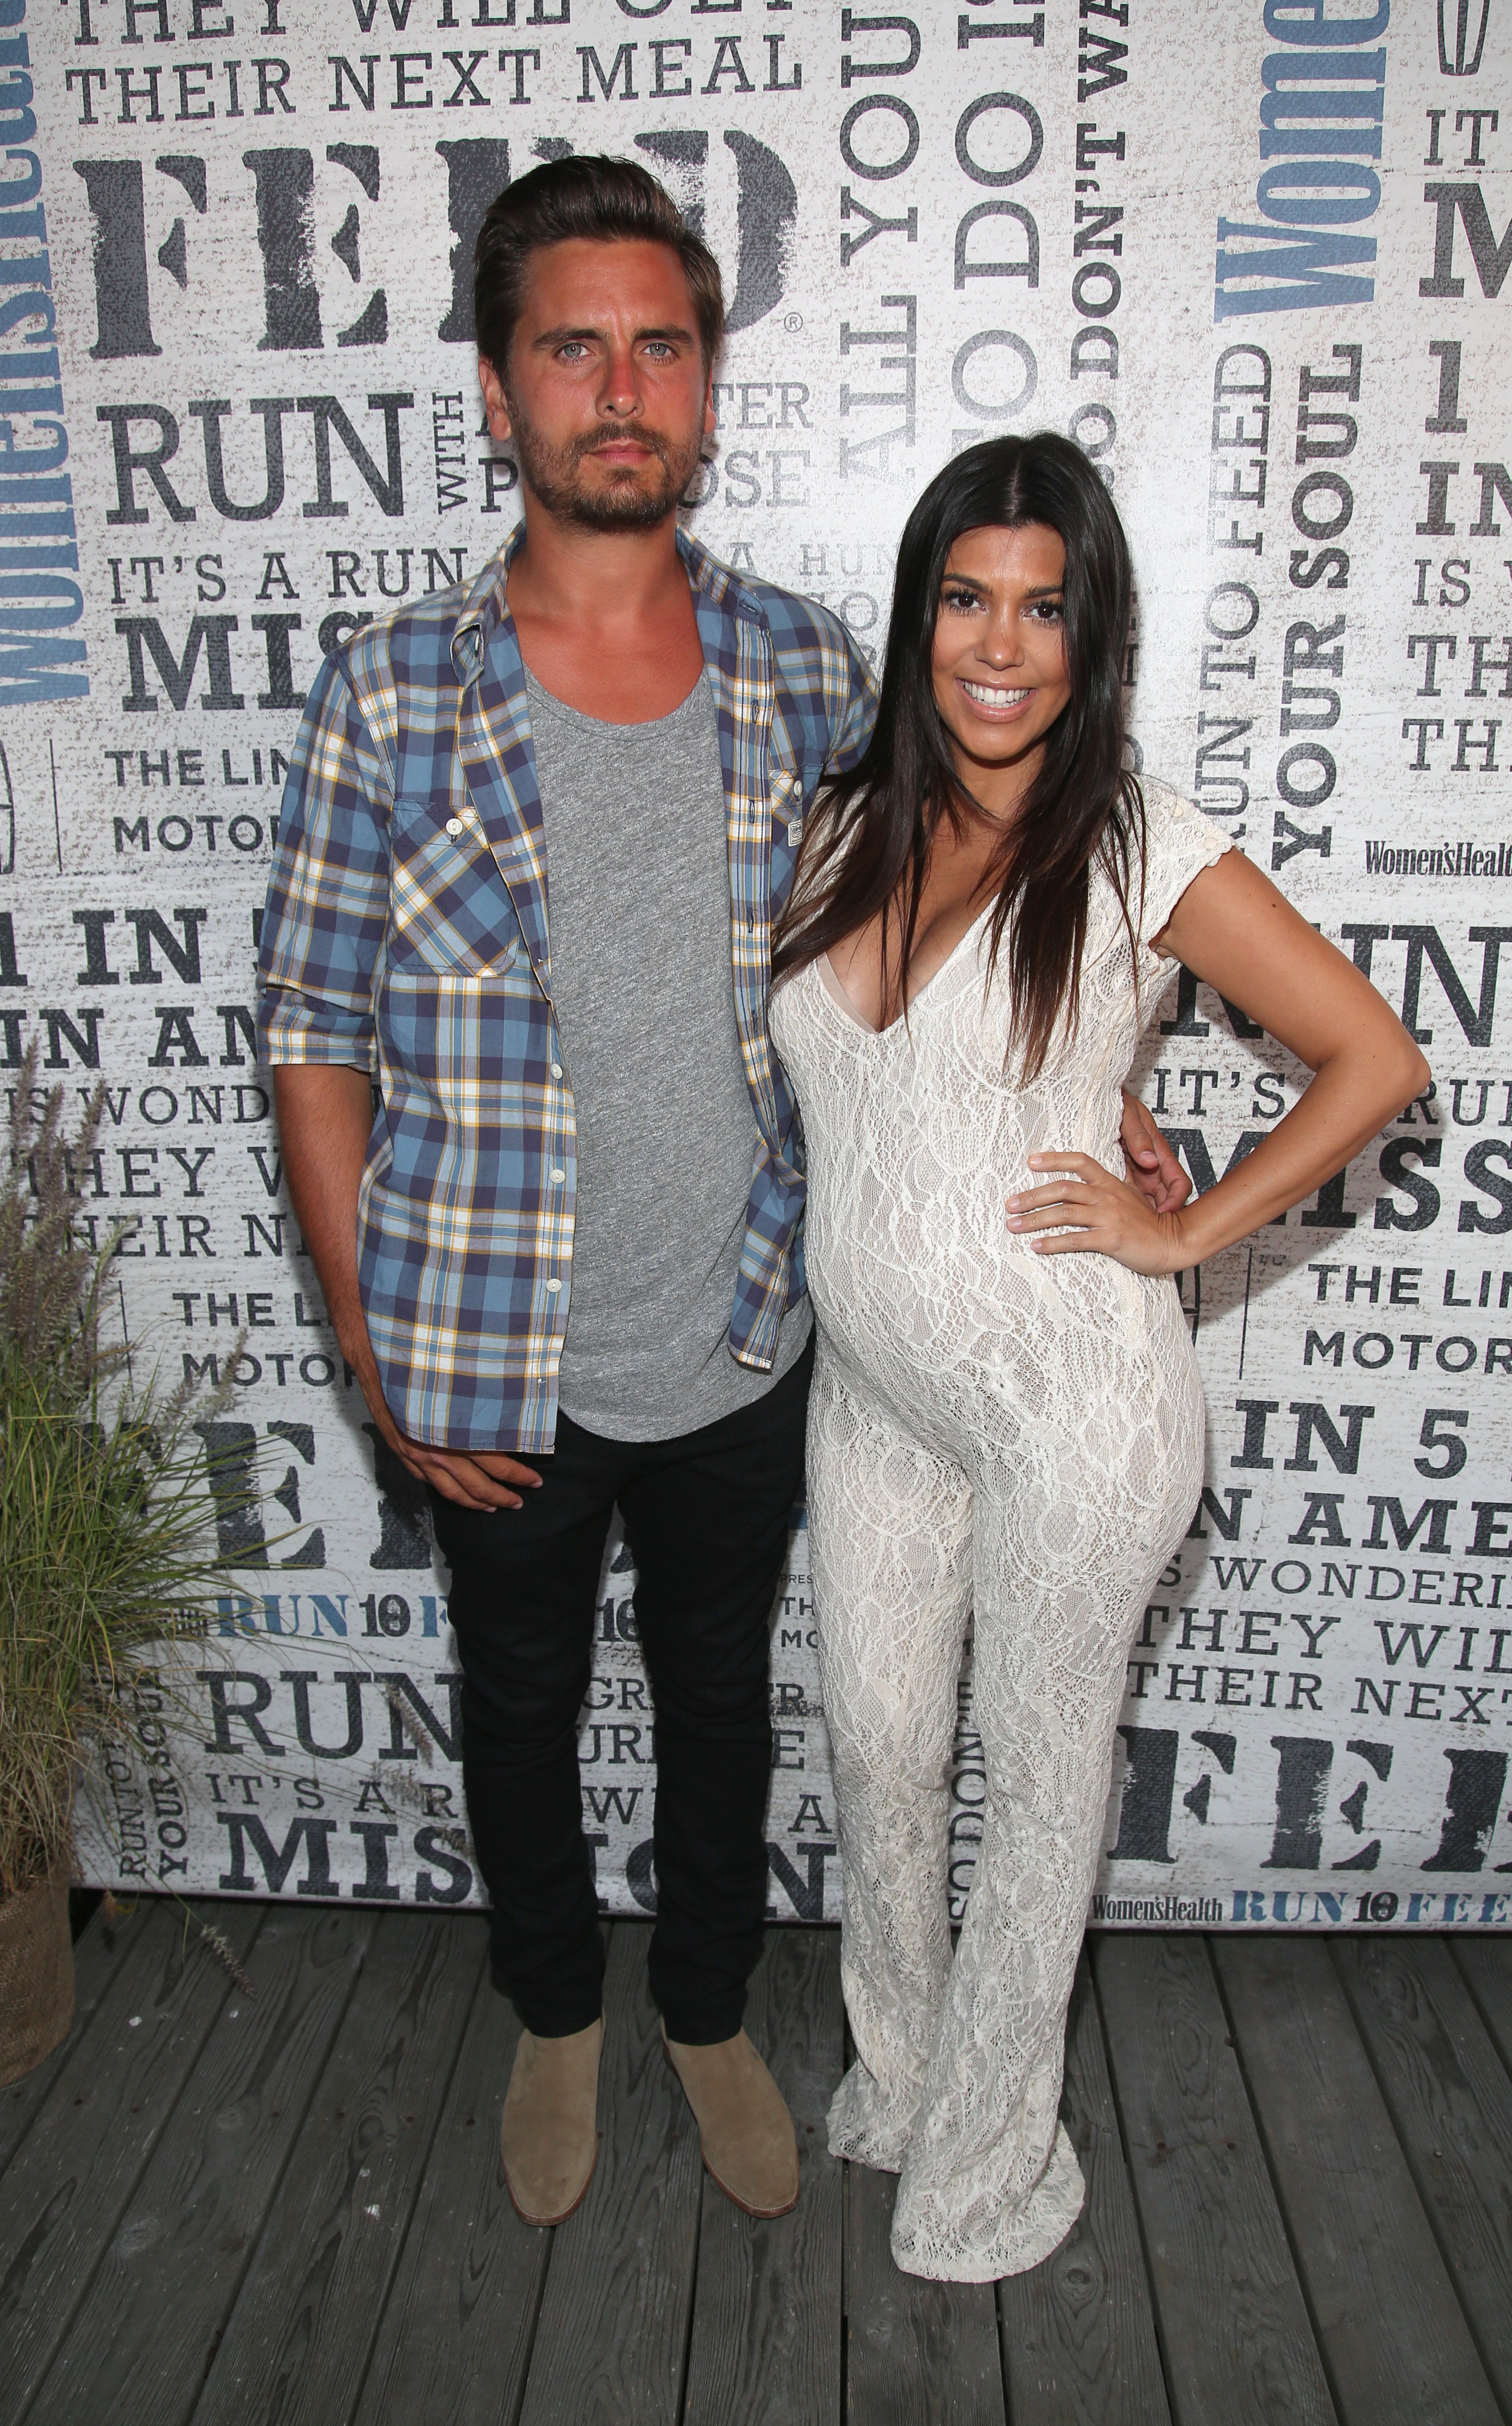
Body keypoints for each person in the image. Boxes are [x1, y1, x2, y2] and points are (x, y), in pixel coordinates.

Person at [258, 162, 1191, 2235]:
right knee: (514, 1704)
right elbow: (313, 1029)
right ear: (498, 396)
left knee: (719, 1704)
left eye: (657, 346)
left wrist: (1110, 1102)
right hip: (482, 1352)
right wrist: (366, 1339)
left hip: (763, 1326)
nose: (618, 388)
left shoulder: (802, 673)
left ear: (706, 390)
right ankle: (557, 2018)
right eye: (570, 349)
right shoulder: (385, 693)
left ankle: (703, 2015)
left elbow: (970, 923)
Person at [769, 432, 1429, 2282]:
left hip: (1080, 1408)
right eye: (966, 598)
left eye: (1044, 607)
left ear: (1092, 634)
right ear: (916, 624)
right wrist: (1114, 1084)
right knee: (884, 1751)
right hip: (879, 1395)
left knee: (1039, 1789)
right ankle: (900, 2087)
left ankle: (987, 2171)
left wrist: (1186, 1230)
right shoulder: (845, 824)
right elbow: (934, 1073)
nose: (1003, 644)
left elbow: (1375, 1061)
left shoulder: (1137, 834)